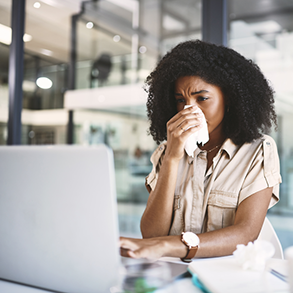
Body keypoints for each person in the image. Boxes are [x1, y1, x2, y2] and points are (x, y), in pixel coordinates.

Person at [120, 40, 282, 261]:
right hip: (175, 272)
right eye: (181, 100)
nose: (189, 109)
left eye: (202, 98)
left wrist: (171, 245)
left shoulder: (258, 151)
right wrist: (172, 158)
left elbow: (246, 233)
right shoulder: (166, 152)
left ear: (229, 98)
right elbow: (151, 234)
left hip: (228, 277)